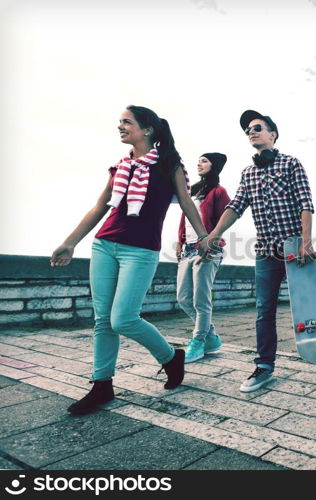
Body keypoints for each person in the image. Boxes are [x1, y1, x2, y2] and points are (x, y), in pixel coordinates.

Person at [51, 105, 213, 416]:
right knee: (102, 320)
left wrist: (204, 236)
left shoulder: (169, 166)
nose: (120, 127)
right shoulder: (120, 167)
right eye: (120, 122)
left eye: (127, 122)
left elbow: (187, 206)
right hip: (104, 245)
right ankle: (102, 385)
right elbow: (99, 208)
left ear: (148, 129)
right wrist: (70, 243)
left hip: (140, 250)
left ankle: (170, 357)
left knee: (123, 318)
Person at [205, 109, 316, 393]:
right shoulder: (247, 173)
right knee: (264, 309)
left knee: (309, 302)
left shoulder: (291, 164)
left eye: (257, 127)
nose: (251, 132)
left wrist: (306, 240)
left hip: (293, 245)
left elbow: (305, 202)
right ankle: (264, 366)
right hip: (265, 249)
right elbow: (236, 206)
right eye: (248, 130)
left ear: (272, 134)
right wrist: (214, 234)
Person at [176, 152, 231, 363]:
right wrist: (180, 240)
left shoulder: (219, 192)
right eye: (198, 160)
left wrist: (212, 241)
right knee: (183, 298)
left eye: (205, 161)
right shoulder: (193, 191)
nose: (199, 163)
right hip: (188, 248)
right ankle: (212, 337)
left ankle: (198, 341)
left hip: (208, 249)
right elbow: (186, 217)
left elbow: (226, 218)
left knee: (201, 301)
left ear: (214, 166)